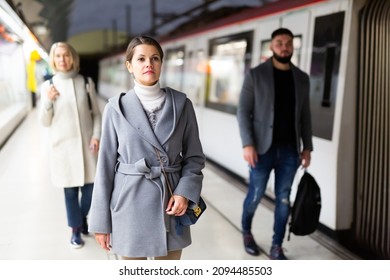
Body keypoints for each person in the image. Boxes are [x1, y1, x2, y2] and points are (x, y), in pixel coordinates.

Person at [88, 35, 205, 260]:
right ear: (130, 66)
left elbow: (194, 157)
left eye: (155, 58)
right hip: (129, 204)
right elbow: (104, 169)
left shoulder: (182, 105)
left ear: (161, 63)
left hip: (170, 203)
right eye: (141, 59)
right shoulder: (115, 108)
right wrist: (100, 223)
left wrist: (184, 193)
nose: (148, 64)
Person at [237, 28, 313, 260]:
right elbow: (243, 111)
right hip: (261, 149)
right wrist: (247, 144)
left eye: (289, 43)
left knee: (283, 198)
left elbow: (305, 116)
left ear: (293, 46)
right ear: (271, 46)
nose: (284, 47)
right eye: (279, 42)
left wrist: (307, 147)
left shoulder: (301, 78)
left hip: (290, 151)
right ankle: (247, 232)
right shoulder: (256, 75)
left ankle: (276, 246)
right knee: (256, 195)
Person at [39, 42, 102, 249]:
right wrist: (48, 102)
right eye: (58, 56)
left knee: (91, 189)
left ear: (72, 57)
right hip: (63, 148)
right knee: (70, 193)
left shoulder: (85, 82)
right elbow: (44, 122)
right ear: (53, 60)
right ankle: (75, 230)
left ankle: (81, 219)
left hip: (87, 148)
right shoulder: (48, 87)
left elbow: (96, 114)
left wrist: (96, 135)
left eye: (66, 55)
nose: (63, 60)